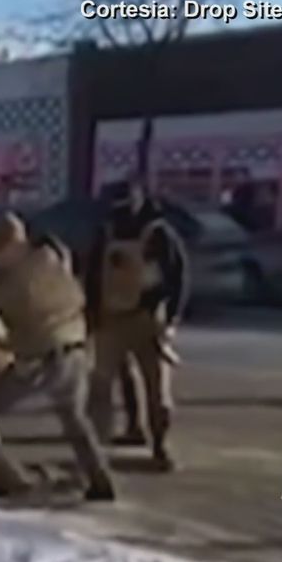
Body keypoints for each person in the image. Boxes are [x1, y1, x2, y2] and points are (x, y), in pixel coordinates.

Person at [0, 213, 115, 501]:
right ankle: (101, 480)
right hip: (76, 349)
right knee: (74, 418)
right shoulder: (50, 258)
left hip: (41, 360)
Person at [86, 175, 188, 471]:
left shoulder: (158, 234)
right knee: (103, 388)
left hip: (145, 320)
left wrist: (170, 318)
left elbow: (178, 277)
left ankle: (158, 445)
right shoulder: (108, 230)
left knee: (154, 388)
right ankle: (99, 449)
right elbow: (94, 274)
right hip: (114, 319)